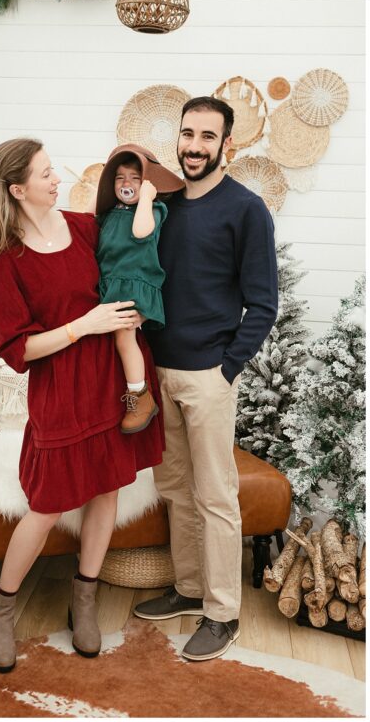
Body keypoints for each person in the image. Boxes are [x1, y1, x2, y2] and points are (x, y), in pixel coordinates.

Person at [0, 138, 165, 672]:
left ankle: (85, 595)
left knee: (106, 488)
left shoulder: (85, 227)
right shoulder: (0, 261)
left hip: (114, 382)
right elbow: (18, 350)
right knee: (49, 503)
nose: (57, 180)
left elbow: (138, 238)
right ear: (17, 190)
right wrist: (85, 325)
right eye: (45, 174)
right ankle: (3, 607)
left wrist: (144, 163)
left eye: (52, 170)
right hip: (60, 389)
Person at [134, 96, 277, 661]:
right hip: (159, 373)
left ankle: (223, 613)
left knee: (216, 496)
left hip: (209, 377)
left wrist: (228, 369)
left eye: (207, 137)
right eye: (187, 134)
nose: (194, 146)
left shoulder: (246, 209)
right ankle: (190, 591)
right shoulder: (164, 205)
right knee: (175, 489)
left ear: (227, 146)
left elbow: (263, 304)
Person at [93, 144, 184, 434]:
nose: (126, 184)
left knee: (123, 337)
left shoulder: (153, 210)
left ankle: (140, 396)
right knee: (107, 344)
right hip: (110, 285)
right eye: (119, 178)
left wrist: (147, 197)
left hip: (135, 284)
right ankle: (120, 394)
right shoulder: (109, 214)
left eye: (134, 178)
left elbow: (141, 231)